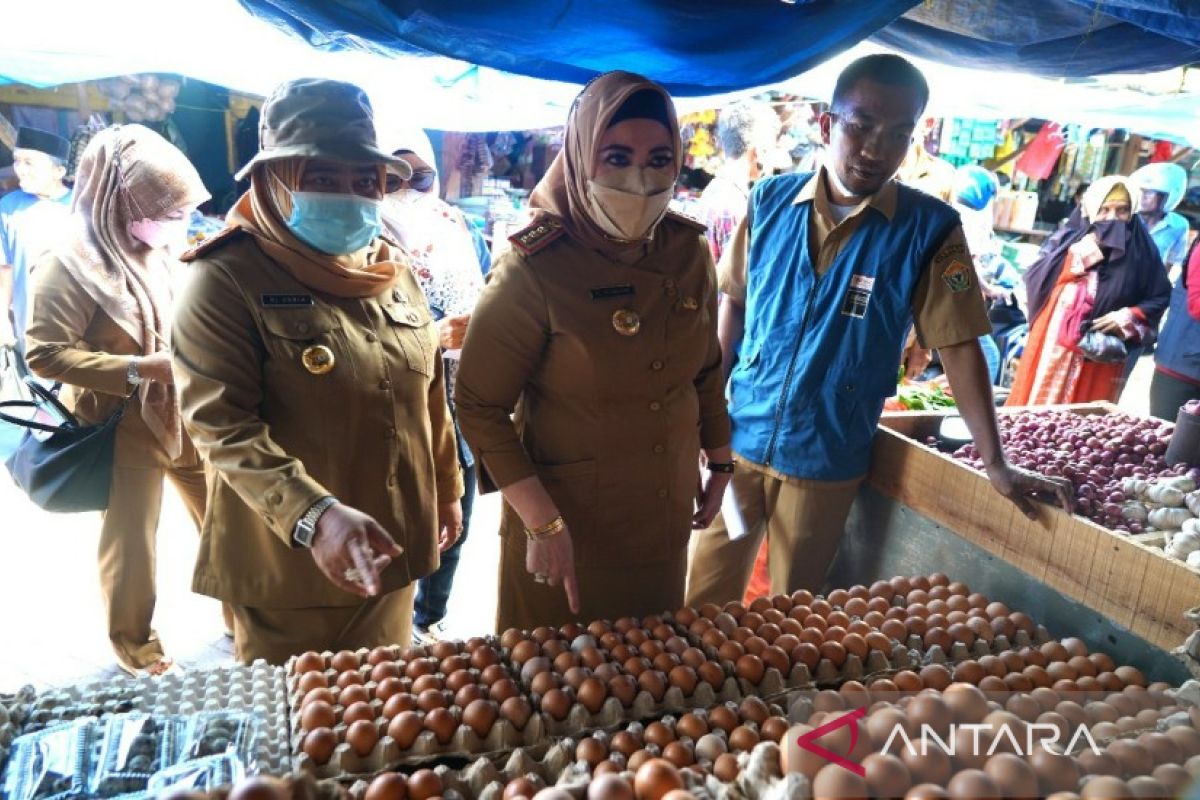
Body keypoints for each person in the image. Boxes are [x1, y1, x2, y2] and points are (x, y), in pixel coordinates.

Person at [685, 54, 1072, 606]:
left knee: (793, 609)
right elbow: (735, 307)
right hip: (741, 441)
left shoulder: (929, 229)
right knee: (706, 590)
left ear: (914, 138)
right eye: (860, 126)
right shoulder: (768, 203)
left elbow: (960, 345)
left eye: (897, 133)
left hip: (827, 453)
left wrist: (995, 462)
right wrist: (709, 417)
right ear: (827, 125)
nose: (875, 148)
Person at [171, 78, 463, 664]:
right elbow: (221, 425)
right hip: (290, 565)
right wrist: (315, 516)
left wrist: (447, 488)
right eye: (322, 178)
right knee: (300, 733)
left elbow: (427, 393)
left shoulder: (391, 270)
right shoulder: (226, 278)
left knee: (386, 717)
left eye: (364, 181)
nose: (349, 195)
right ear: (273, 179)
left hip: (392, 546)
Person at [456, 71, 732, 631]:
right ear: (581, 157)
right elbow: (479, 404)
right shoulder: (534, 266)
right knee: (555, 684)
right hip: (567, 523)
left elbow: (704, 370)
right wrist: (541, 522)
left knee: (653, 678)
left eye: (659, 159)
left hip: (661, 509)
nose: (640, 179)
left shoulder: (686, 250)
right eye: (616, 157)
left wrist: (720, 458)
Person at [24, 124, 213, 676]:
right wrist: (139, 369)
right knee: (132, 544)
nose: (176, 223)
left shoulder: (157, 248)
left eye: (181, 212)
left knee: (225, 518)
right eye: (167, 211)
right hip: (121, 421)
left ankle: (244, 608)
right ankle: (137, 647)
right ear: (115, 199)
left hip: (184, 413)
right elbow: (46, 355)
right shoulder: (67, 263)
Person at [379, 129, 486, 644]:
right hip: (395, 403)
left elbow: (486, 292)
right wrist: (431, 337)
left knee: (455, 511)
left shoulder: (456, 225)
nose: (408, 190)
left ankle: (429, 616)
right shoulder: (363, 239)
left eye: (420, 177)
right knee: (399, 514)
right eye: (394, 177)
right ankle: (392, 622)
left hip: (455, 397)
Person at [1007, 177, 1171, 406]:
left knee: (1084, 418)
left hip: (1100, 353)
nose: (1112, 218)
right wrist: (1087, 252)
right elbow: (1038, 280)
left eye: (1122, 210)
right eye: (1104, 210)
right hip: (1054, 346)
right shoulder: (1069, 240)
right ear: (1091, 210)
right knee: (1038, 408)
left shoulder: (1142, 252)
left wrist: (1127, 316)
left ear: (1132, 213)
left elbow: (1160, 295)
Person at [1, 127, 74, 356]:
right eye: (17, 161)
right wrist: (2, 319)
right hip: (26, 327)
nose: (20, 169)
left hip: (76, 329)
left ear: (58, 170)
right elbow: (5, 269)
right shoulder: (9, 208)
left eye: (29, 162)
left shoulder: (81, 209)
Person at [693, 100, 778, 262]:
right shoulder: (734, 208)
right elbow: (736, 283)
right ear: (759, 150)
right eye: (771, 147)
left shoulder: (714, 190)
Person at [1131, 162, 1190, 273]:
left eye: (1149, 192)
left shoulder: (1178, 225)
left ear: (1167, 197)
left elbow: (1174, 259)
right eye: (1140, 191)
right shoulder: (1126, 219)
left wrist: (1160, 283)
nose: (1142, 197)